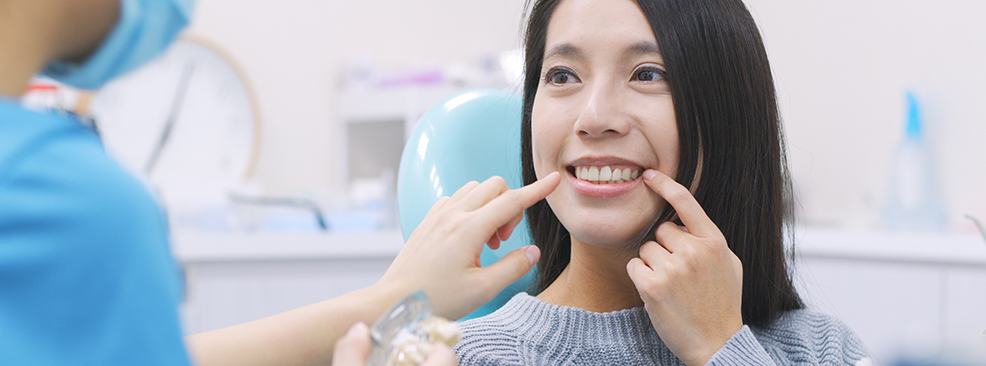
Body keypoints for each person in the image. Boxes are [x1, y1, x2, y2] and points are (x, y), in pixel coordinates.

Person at [0, 0, 561, 365]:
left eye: (647, 73)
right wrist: (394, 303)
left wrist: (392, 299)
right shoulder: (70, 208)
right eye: (562, 76)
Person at [453, 0, 872, 365]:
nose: (595, 118)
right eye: (562, 75)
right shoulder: (466, 357)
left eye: (648, 74)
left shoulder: (823, 349)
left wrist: (720, 348)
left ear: (729, 113)